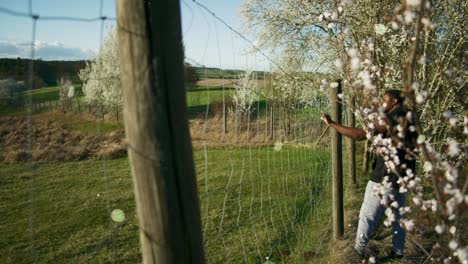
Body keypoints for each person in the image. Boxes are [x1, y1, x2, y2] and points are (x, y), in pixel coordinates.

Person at [320, 90, 417, 260]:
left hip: (384, 178)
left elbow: (360, 135)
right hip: (403, 179)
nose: (381, 103)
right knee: (398, 218)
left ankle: (357, 252)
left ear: (394, 101)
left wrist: (333, 124)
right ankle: (398, 252)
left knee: (367, 216)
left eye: (384, 100)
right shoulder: (410, 117)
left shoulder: (393, 118)